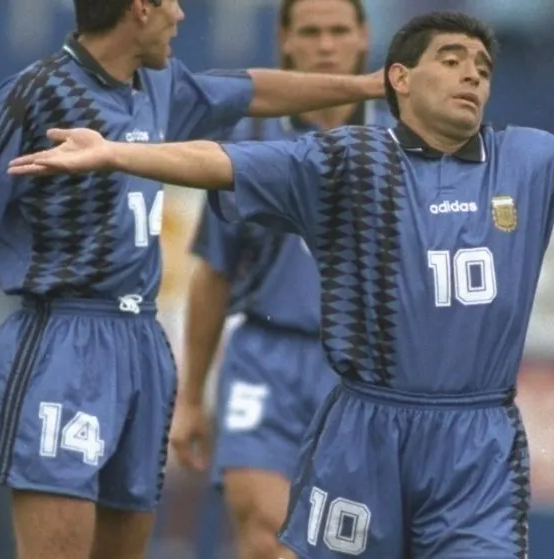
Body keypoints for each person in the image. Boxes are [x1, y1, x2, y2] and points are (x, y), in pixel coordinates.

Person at [5, 10, 554, 558]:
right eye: (452, 59)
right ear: (399, 78)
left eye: (483, 66)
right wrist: (115, 150)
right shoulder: (342, 161)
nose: (472, 75)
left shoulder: (531, 159)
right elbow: (217, 158)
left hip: (476, 440)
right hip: (365, 425)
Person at [0, 0, 384, 557]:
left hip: (141, 343)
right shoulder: (39, 91)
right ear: (140, 9)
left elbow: (255, 89)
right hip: (63, 340)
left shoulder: (160, 85)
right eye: (170, 2)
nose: (180, 14)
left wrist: (367, 86)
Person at [166, 1, 391, 558]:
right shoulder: (248, 140)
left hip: (362, 372)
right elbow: (213, 273)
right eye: (310, 32)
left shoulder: (403, 142)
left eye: (339, 31)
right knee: (268, 531)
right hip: (264, 359)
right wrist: (192, 396)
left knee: (342, 545)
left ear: (363, 38)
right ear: (284, 41)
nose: (325, 45)